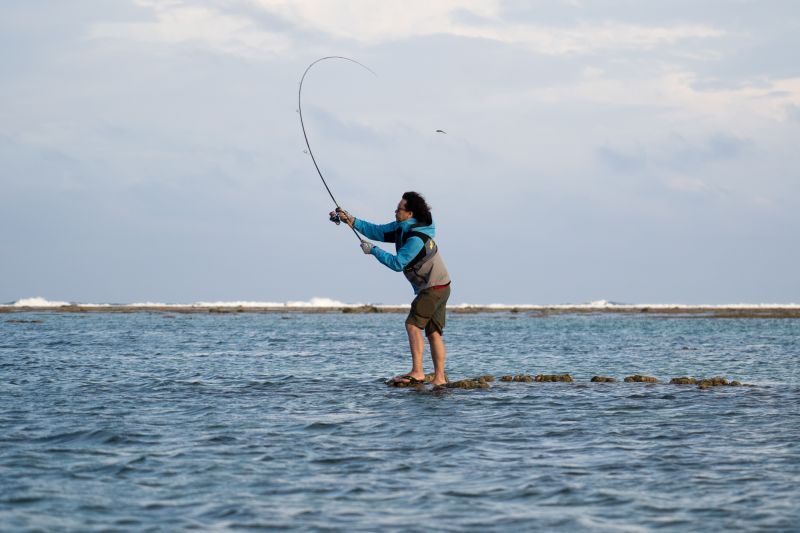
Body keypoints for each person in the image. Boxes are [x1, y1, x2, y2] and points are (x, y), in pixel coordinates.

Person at [331, 192, 451, 386]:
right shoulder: (402, 227)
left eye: (399, 209)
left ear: (410, 213)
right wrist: (350, 220)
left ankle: (418, 372)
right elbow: (376, 231)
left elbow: (397, 263)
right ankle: (439, 379)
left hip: (433, 287)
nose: (395, 211)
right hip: (442, 285)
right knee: (433, 333)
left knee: (413, 325)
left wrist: (373, 251)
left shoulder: (416, 238)